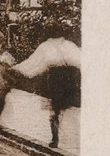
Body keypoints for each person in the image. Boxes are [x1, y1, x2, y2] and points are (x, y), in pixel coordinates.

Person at [9, 20, 81, 148]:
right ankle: (65, 136)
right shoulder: (69, 45)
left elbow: (34, 63)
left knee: (55, 109)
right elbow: (80, 61)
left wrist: (18, 68)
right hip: (68, 78)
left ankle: (56, 137)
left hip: (55, 78)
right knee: (67, 108)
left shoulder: (46, 46)